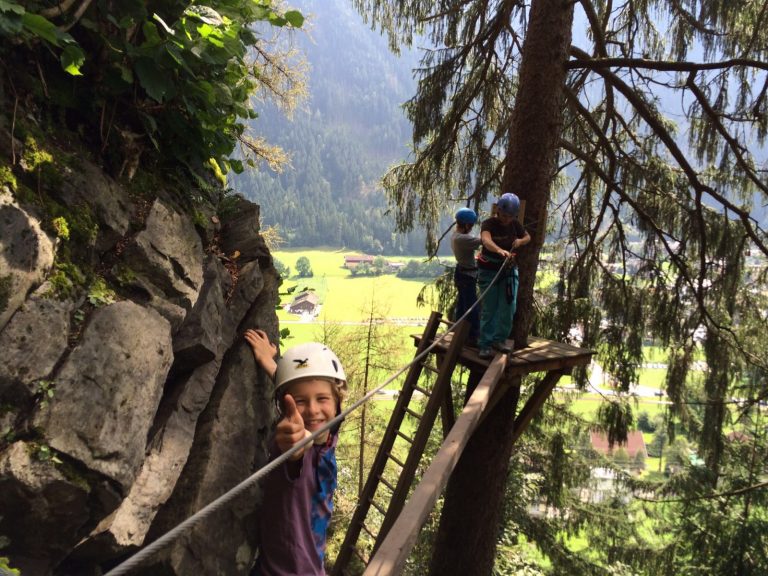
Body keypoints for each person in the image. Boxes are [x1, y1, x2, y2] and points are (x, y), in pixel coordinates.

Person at [244, 329, 347, 576]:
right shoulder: (297, 449)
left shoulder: (327, 432)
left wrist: (271, 363)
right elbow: (294, 453)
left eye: (322, 399)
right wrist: (292, 447)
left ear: (337, 401)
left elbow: (297, 390)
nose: (312, 411)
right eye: (300, 402)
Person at [476, 192, 531, 359]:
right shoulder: (489, 224)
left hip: (508, 270)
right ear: (498, 210)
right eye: (504, 215)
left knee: (509, 307)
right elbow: (486, 240)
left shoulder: (515, 225)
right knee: (490, 307)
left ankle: (499, 340)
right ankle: (485, 343)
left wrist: (520, 241)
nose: (506, 219)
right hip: (489, 269)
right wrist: (499, 250)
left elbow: (528, 237)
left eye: (510, 216)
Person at [451, 207, 482, 345]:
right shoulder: (462, 239)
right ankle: (474, 337)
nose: (471, 228)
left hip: (462, 273)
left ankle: (459, 333)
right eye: (471, 225)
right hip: (466, 276)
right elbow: (483, 241)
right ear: (467, 225)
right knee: (472, 307)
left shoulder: (456, 235)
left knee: (463, 305)